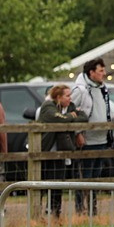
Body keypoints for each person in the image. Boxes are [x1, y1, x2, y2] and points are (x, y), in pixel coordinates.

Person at [69, 58, 114, 215]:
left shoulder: (103, 89)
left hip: (102, 139)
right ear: (91, 72)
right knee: (84, 176)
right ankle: (80, 209)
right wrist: (78, 133)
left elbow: (107, 110)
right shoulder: (79, 90)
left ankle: (92, 209)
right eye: (101, 71)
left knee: (96, 176)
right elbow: (71, 114)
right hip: (87, 141)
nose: (104, 74)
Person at [38, 83, 85, 217]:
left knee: (58, 182)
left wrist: (70, 117)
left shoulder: (70, 107)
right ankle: (39, 212)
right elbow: (55, 118)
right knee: (43, 183)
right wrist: (71, 117)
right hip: (46, 150)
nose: (70, 98)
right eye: (67, 95)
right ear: (58, 97)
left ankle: (55, 211)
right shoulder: (48, 106)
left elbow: (84, 117)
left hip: (61, 151)